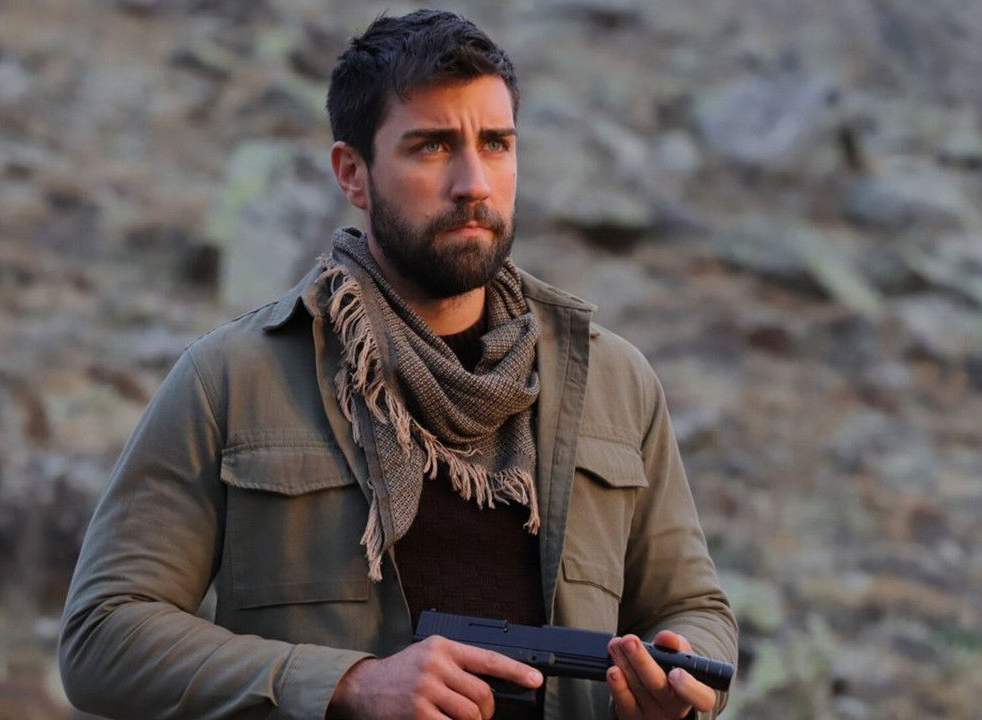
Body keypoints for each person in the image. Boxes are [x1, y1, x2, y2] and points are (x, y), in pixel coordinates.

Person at [59, 9, 736, 720]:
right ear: (353, 173)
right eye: (432, 147)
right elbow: (102, 635)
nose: (473, 183)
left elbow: (694, 608)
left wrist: (678, 685)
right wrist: (348, 684)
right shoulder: (231, 379)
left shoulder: (613, 381)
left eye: (496, 144)